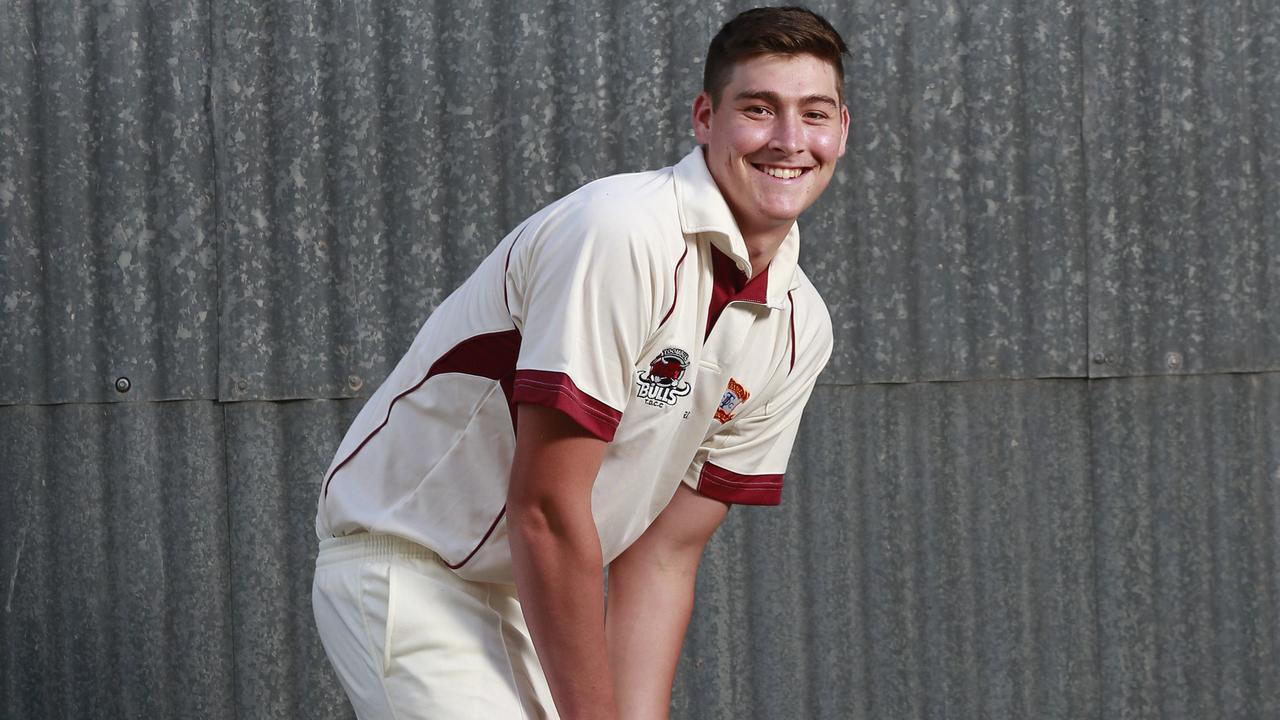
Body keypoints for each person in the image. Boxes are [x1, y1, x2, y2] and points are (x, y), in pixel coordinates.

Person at [311, 6, 849, 718]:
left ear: (843, 128)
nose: (788, 140)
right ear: (704, 118)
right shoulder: (621, 232)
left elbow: (661, 557)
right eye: (759, 108)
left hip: (526, 596)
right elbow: (544, 510)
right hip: (414, 570)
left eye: (814, 114)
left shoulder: (798, 324)